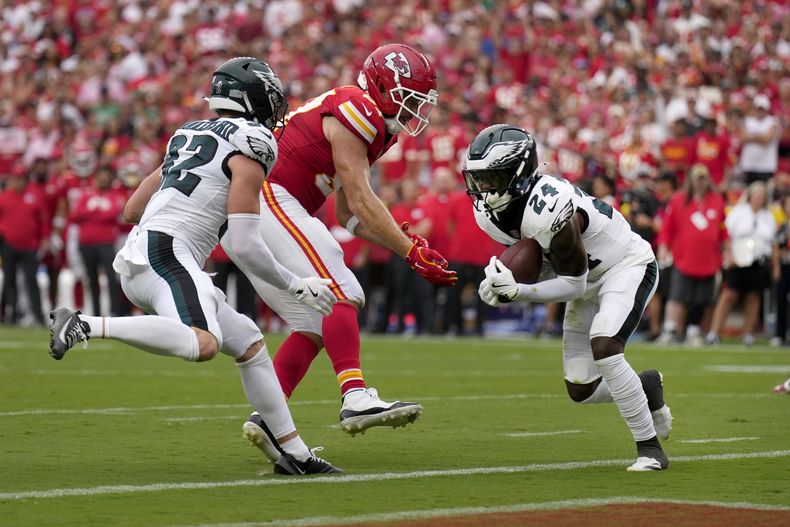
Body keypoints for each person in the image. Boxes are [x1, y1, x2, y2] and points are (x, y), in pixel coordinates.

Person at [47, 57, 341, 476]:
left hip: (148, 248)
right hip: (167, 252)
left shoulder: (188, 133)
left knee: (249, 343)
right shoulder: (253, 141)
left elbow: (132, 209)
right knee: (203, 343)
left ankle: (294, 452)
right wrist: (297, 285)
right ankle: (84, 324)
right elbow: (243, 240)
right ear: (254, 99)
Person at [222, 44, 457, 457]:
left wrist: (407, 247)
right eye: (410, 97)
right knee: (341, 290)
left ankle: (269, 422)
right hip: (267, 195)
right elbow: (363, 198)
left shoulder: (373, 124)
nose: (415, 109)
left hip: (255, 209)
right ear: (384, 86)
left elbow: (350, 214)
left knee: (312, 319)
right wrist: (408, 250)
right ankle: (355, 397)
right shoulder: (357, 106)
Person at [462, 124, 672, 472]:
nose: (483, 188)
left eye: (492, 177)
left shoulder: (551, 206)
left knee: (605, 346)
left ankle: (650, 450)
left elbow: (572, 283)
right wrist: (501, 279)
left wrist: (519, 292)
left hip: (625, 266)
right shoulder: (489, 214)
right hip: (585, 276)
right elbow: (540, 261)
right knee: (581, 387)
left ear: (518, 173)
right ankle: (646, 387)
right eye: (479, 179)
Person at [656, 164, 727, 346]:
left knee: (702, 298)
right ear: (691, 180)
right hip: (683, 257)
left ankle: (693, 331)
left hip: (709, 258)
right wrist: (663, 247)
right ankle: (670, 329)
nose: (700, 182)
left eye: (703, 178)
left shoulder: (717, 201)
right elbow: (667, 228)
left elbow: (723, 231)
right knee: (677, 295)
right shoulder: (678, 200)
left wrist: (728, 250)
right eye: (697, 178)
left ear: (708, 180)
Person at [706, 181, 776, 346]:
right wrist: (728, 256)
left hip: (758, 261)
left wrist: (775, 265)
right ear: (750, 195)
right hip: (738, 259)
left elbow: (772, 242)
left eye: (762, 195)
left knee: (753, 296)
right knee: (729, 294)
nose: (759, 198)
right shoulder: (738, 212)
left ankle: (748, 333)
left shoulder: (768, 216)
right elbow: (726, 235)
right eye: (757, 194)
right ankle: (714, 332)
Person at [69, 165, 126, 316]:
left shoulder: (115, 195)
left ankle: (115, 311)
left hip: (106, 243)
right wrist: (99, 212)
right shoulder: (86, 194)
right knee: (92, 279)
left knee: (111, 277)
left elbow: (114, 214)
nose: (102, 181)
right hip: (86, 243)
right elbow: (75, 215)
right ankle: (96, 312)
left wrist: (91, 214)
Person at [0, 166, 49, 326]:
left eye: (21, 179)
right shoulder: (4, 197)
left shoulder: (34, 197)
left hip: (30, 245)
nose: (18, 182)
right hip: (9, 244)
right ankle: (11, 315)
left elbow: (43, 221)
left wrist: (45, 238)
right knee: (9, 280)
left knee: (31, 281)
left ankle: (38, 315)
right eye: (16, 178)